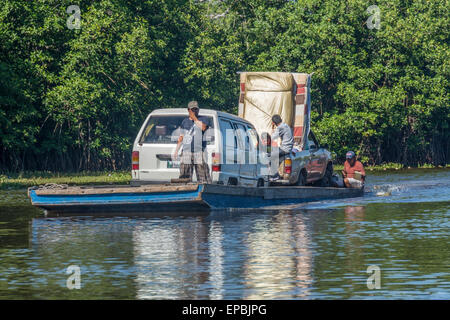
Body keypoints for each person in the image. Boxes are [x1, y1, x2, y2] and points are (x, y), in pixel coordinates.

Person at [173, 101, 212, 183]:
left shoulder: (204, 119)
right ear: (188, 110)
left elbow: (203, 128)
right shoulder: (185, 121)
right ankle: (184, 192)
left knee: (203, 176)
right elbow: (181, 137)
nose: (195, 111)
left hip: (199, 151)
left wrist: (194, 118)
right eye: (192, 109)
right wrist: (176, 150)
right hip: (186, 151)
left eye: (196, 109)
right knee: (184, 176)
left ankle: (204, 191)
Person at [269, 114, 294, 181]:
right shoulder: (286, 126)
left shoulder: (280, 127)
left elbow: (272, 137)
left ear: (273, 122)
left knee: (269, 156)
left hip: (284, 148)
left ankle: (275, 175)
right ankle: (278, 174)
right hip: (288, 148)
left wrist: (272, 128)